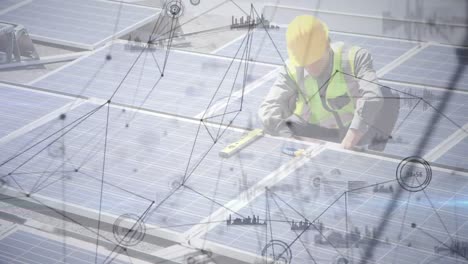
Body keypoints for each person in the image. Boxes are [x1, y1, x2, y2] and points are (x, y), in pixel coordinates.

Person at [259, 15, 399, 150]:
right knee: (273, 123)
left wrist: (352, 137)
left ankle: (375, 153)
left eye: (315, 60)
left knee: (388, 96)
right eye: (305, 63)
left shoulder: (354, 58)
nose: (311, 67)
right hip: (314, 130)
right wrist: (292, 139)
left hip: (353, 128)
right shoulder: (291, 69)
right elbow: (269, 108)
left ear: (327, 44)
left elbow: (372, 96)